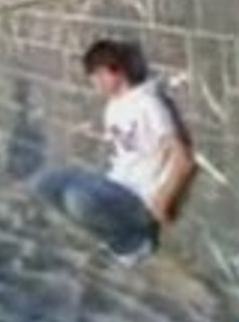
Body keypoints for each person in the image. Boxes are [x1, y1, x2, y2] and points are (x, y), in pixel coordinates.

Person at [36, 40, 195, 263]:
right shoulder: (112, 107)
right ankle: (110, 234)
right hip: (115, 186)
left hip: (140, 198)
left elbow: (182, 158)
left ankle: (134, 243)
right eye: (92, 76)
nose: (94, 82)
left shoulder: (149, 104)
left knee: (77, 200)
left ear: (117, 71)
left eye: (99, 74)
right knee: (46, 183)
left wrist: (164, 199)